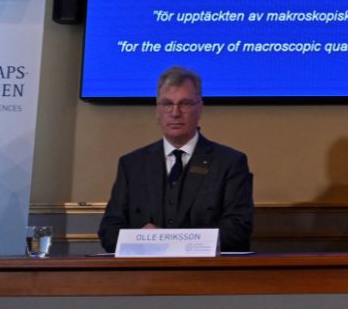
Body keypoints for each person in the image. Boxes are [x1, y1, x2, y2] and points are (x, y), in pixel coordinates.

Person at [97, 66, 254, 252]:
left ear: (200, 109)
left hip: (205, 276)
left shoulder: (229, 162)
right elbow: (108, 232)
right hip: (144, 276)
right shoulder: (132, 165)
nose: (175, 112)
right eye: (167, 104)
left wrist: (170, 242)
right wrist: (140, 238)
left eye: (185, 103)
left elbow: (237, 230)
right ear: (158, 110)